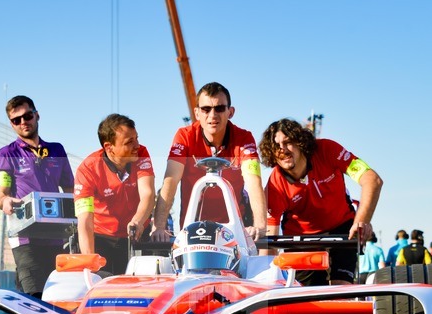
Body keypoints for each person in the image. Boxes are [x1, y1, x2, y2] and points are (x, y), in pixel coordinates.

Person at [259, 117, 383, 284]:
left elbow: (372, 180)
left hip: (341, 228)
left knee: (340, 292)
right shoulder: (275, 184)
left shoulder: (327, 150)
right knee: (310, 300)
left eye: (288, 142)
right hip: (301, 239)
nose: (283, 150)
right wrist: (265, 280)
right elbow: (269, 241)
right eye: (276, 146)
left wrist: (361, 222)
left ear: (301, 143)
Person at [150, 82, 266, 242]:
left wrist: (260, 226)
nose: (212, 115)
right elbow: (170, 181)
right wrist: (159, 227)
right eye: (206, 109)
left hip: (234, 230)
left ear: (230, 112)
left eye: (219, 108)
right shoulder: (185, 136)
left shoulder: (244, 138)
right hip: (193, 229)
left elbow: (254, 182)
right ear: (197, 113)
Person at [0, 94, 74, 297]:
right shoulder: (6, 154)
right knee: (34, 297)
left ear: (37, 115)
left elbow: (71, 190)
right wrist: (5, 201)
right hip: (24, 239)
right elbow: (1, 195)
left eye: (27, 116)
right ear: (11, 124)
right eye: (16, 120)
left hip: (56, 238)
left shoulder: (57, 150)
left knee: (56, 296)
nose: (23, 122)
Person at [74, 114, 155, 276]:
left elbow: (148, 193)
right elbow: (85, 220)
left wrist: (137, 222)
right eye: (129, 142)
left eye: (136, 138)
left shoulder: (141, 153)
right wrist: (90, 262)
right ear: (109, 147)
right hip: (102, 239)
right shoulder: (87, 169)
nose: (137, 145)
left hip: (136, 233)